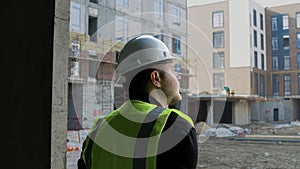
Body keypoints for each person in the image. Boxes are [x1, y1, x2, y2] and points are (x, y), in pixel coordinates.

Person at [78, 35, 198, 169]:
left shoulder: (98, 129)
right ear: (156, 78)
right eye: (172, 69)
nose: (178, 77)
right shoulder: (176, 126)